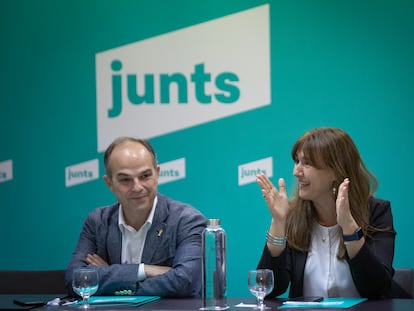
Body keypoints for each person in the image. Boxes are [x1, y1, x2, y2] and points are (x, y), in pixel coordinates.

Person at [256, 127, 404, 299]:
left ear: (336, 170)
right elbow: (269, 289)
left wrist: (349, 226)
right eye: (297, 162)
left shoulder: (377, 211)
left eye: (307, 163)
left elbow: (376, 288)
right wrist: (278, 222)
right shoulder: (293, 215)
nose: (296, 172)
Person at [65, 137, 207, 297]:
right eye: (125, 179)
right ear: (109, 183)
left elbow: (185, 282)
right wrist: (144, 270)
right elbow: (76, 280)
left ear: (157, 174)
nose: (137, 187)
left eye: (145, 176)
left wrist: (108, 274)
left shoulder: (186, 220)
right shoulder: (97, 222)